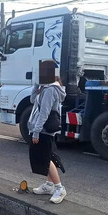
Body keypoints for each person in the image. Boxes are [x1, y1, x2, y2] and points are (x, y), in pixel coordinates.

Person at [28, 60, 67, 204]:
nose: (40, 74)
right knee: (48, 156)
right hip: (42, 128)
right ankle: (49, 185)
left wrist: (36, 132)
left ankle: (59, 188)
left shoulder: (51, 89)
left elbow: (44, 113)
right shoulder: (45, 87)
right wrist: (36, 85)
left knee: (45, 158)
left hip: (44, 129)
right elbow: (33, 100)